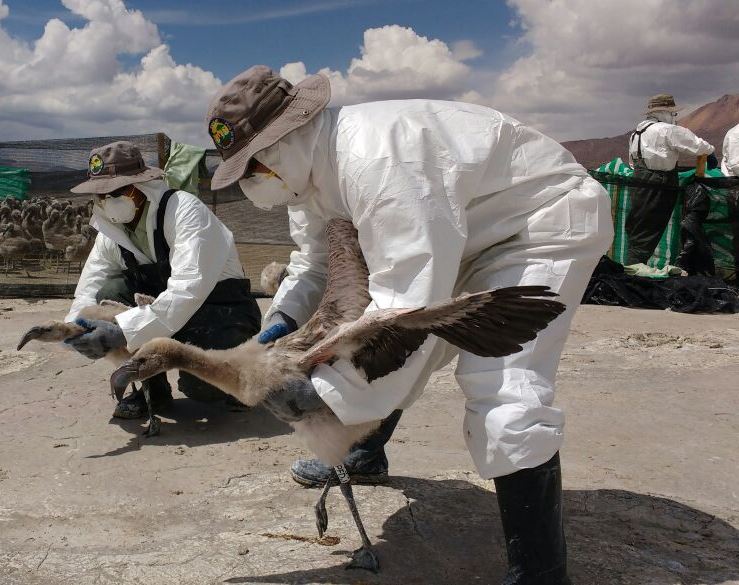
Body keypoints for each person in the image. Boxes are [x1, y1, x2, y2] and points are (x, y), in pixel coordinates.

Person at [207, 65, 613, 584]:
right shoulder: (305, 179)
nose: (250, 181)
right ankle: (365, 450)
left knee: (499, 377)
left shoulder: (379, 157)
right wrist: (272, 335)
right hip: (460, 234)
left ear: (287, 137)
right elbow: (313, 266)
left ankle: (541, 571)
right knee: (385, 339)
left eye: (253, 166)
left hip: (535, 225)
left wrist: (324, 393)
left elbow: (404, 304)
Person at [65, 141, 261, 418]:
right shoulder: (111, 232)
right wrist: (74, 331)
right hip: (164, 314)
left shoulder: (184, 211)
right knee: (108, 295)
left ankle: (241, 380)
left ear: (139, 187)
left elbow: (187, 290)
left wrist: (123, 330)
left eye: (117, 191)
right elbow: (90, 286)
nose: (108, 200)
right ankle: (150, 390)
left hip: (218, 311)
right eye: (101, 194)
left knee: (205, 386)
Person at [626, 94, 714, 265]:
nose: (674, 117)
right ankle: (632, 275)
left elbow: (632, 163)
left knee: (639, 228)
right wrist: (709, 152)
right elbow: (697, 145)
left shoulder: (636, 134)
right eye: (672, 113)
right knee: (649, 230)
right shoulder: (666, 130)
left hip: (640, 185)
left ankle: (632, 269)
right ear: (664, 112)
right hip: (659, 186)